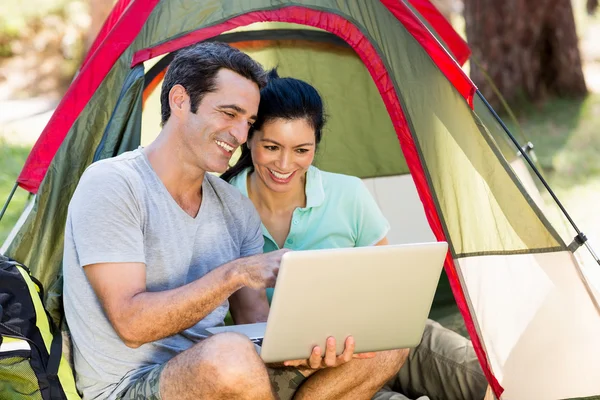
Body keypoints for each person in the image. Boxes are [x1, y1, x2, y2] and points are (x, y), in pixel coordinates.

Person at [63, 42, 406, 400]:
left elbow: (256, 325)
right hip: (136, 385)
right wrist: (236, 272)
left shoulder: (234, 207)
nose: (241, 136)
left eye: (249, 122)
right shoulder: (114, 184)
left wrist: (315, 348)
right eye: (229, 113)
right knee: (229, 357)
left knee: (385, 342)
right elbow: (131, 323)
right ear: (179, 101)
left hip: (236, 375)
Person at [222, 70, 490, 400]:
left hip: (379, 339)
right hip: (298, 365)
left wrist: (374, 336)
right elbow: (254, 319)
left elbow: (388, 288)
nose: (285, 164)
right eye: (272, 146)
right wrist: (312, 356)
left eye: (302, 150)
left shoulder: (348, 193)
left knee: (483, 376)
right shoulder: (226, 207)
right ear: (249, 138)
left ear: (316, 145)